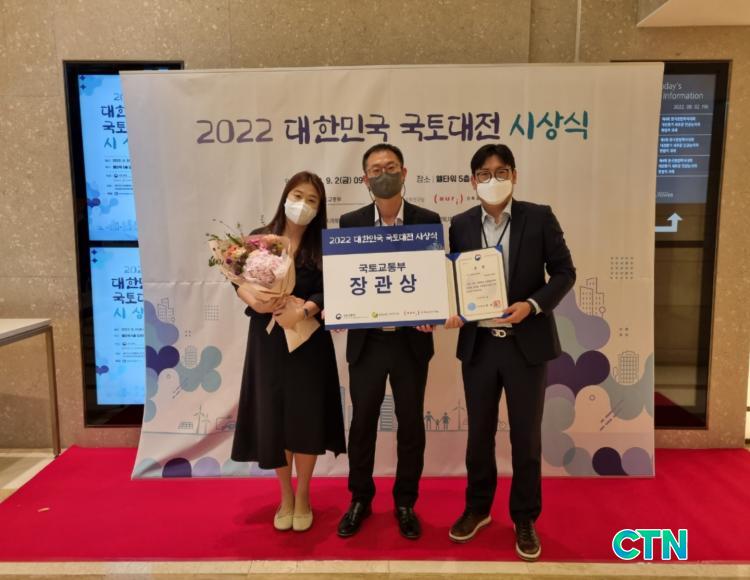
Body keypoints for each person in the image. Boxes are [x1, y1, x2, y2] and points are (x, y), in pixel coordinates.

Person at [445, 144, 576, 561]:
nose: (493, 179)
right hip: (480, 346)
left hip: (526, 346)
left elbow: (564, 272)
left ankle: (524, 517)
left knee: (526, 437)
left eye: (501, 172)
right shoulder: (461, 224)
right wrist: (452, 308)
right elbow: (452, 278)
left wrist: (533, 305)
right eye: (484, 174)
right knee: (479, 435)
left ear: (515, 176)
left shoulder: (539, 217)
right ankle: (478, 508)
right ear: (473, 181)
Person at [231, 171, 346, 533]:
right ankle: (285, 495)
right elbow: (238, 279)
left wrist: (306, 309)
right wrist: (253, 298)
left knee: (306, 417)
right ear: (285, 197)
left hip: (308, 340)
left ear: (319, 208)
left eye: (312, 200)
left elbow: (335, 288)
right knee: (275, 417)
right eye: (298, 196)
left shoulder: (325, 246)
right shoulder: (260, 240)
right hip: (267, 341)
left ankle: (305, 494)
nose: (303, 205)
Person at [336, 144, 440, 540]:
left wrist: (432, 310)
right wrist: (340, 310)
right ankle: (360, 498)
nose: (384, 174)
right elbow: (344, 278)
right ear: (365, 179)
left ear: (404, 172)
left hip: (411, 343)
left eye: (391, 166)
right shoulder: (351, 223)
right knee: (362, 422)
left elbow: (434, 278)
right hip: (368, 343)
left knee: (410, 423)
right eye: (376, 169)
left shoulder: (427, 221)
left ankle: (405, 502)